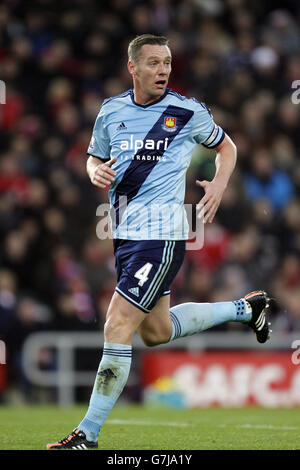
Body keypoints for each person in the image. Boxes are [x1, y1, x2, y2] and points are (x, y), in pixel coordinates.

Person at [47, 34, 271, 450]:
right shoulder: (111, 111)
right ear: (132, 67)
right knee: (155, 331)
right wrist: (92, 169)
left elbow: (228, 147)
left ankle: (87, 434)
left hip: (162, 235)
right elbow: (94, 155)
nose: (163, 70)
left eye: (167, 62)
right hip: (124, 237)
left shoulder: (187, 111)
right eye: (153, 63)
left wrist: (218, 186)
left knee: (116, 323)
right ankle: (246, 308)